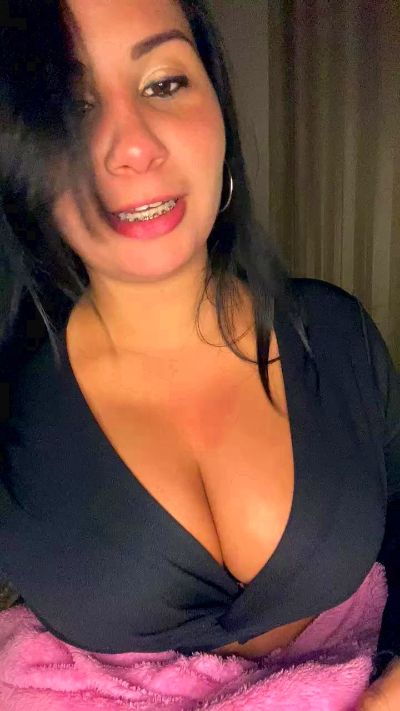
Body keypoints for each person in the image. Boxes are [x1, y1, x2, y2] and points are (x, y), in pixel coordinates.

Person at [0, 1, 399, 708]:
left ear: (218, 110)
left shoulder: (337, 335)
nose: (132, 146)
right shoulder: (12, 401)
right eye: (72, 105)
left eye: (164, 83)